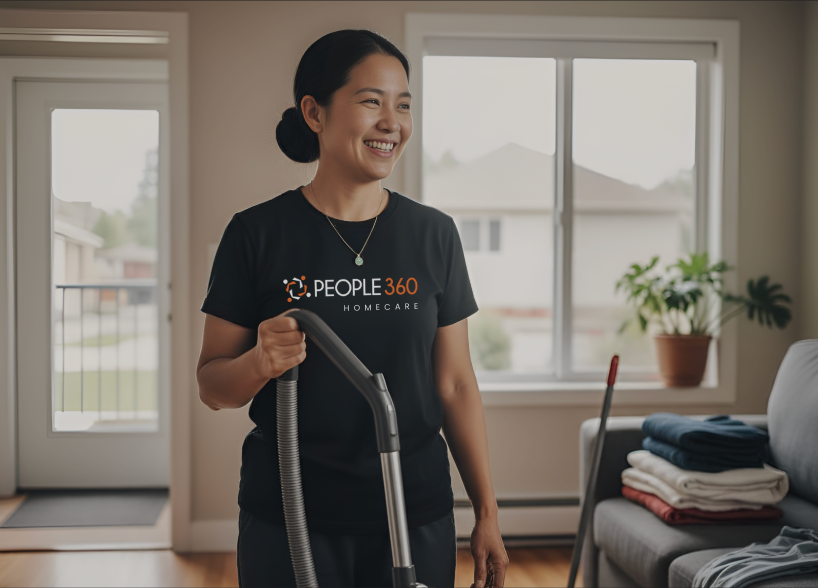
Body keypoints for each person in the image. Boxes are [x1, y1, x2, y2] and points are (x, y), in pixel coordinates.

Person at [196, 29, 508, 588]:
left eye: (403, 104)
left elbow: (456, 384)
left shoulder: (434, 234)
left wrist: (486, 513)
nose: (393, 122)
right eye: (372, 101)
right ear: (314, 113)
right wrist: (258, 364)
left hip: (413, 512)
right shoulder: (256, 233)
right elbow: (213, 385)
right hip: (290, 514)